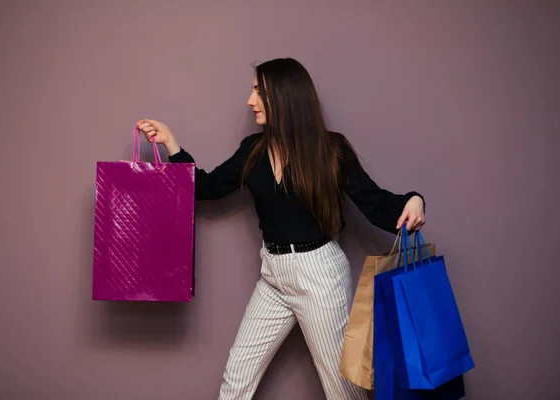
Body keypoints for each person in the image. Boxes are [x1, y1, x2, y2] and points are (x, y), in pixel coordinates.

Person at [136, 57, 425, 400]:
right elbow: (207, 187)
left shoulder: (330, 150)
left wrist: (414, 199)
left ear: (284, 95)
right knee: (236, 379)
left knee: (343, 391)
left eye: (259, 90)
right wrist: (172, 145)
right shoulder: (253, 151)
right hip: (273, 273)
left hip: (319, 275)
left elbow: (374, 201)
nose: (250, 100)